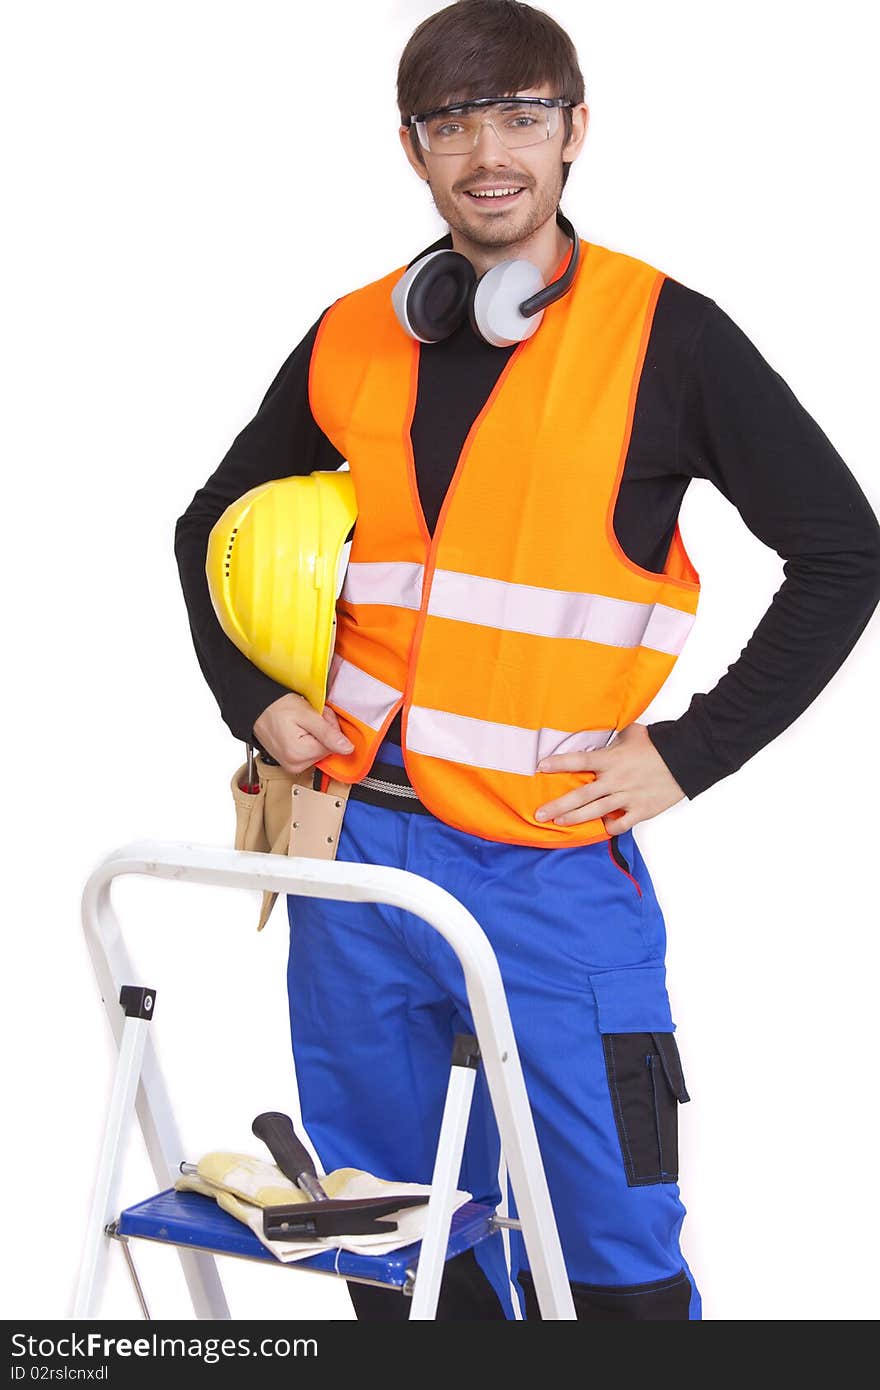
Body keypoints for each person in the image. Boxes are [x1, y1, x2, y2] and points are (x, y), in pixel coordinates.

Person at [174, 0, 880, 1321]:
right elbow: (200, 526)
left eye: (520, 117)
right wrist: (253, 699)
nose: (488, 152)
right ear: (412, 149)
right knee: (388, 1240)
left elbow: (845, 550)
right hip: (350, 859)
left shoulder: (667, 336)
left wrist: (694, 749)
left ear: (575, 134)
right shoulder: (351, 333)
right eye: (454, 123)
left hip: (554, 866)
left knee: (615, 1244)